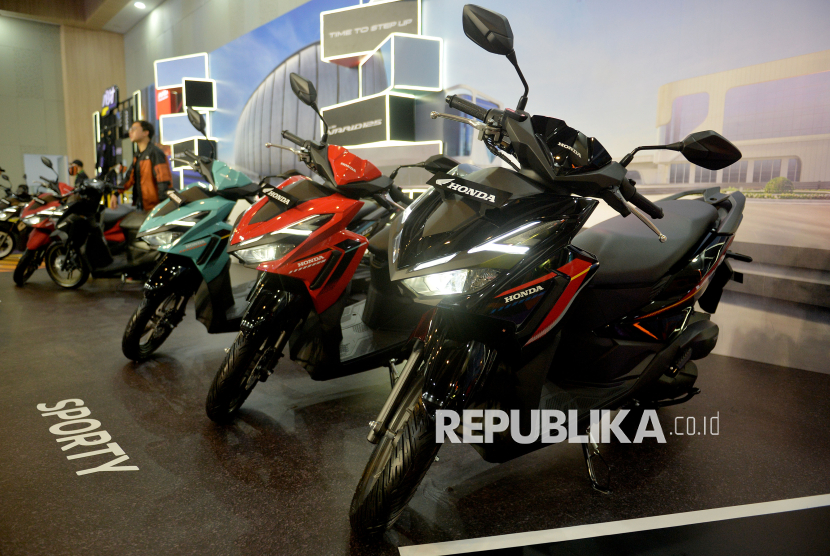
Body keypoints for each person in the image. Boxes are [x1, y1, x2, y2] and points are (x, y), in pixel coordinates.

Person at [122, 120, 172, 211]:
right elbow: (129, 178)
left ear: (145, 133)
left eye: (134, 128)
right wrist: (115, 193)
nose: (130, 132)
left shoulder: (155, 152)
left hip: (155, 208)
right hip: (142, 207)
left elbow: (163, 180)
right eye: (130, 129)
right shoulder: (138, 155)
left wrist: (163, 206)